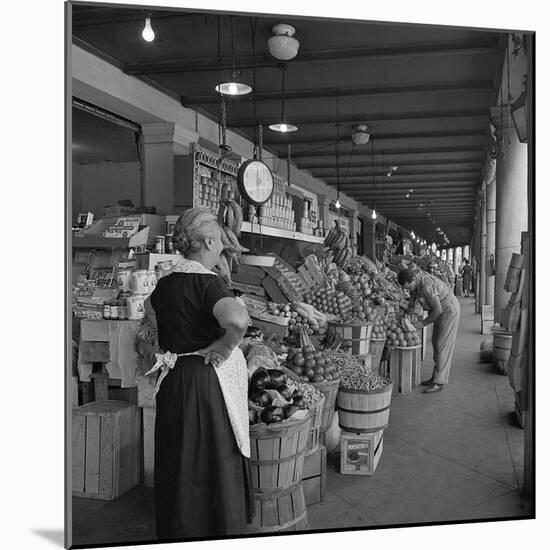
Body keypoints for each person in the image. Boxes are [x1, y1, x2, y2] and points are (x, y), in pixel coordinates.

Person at [145, 208, 254, 540]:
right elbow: (237, 319)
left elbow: (150, 314)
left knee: (179, 461)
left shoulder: (164, 283)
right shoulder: (208, 282)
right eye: (219, 237)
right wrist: (224, 347)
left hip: (174, 378)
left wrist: (179, 340)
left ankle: (179, 531)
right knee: (211, 461)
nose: (223, 242)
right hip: (206, 383)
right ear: (208, 240)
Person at [398, 268, 461, 393]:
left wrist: (422, 323)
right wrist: (406, 316)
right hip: (439, 311)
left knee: (442, 345)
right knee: (435, 342)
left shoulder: (426, 286)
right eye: (405, 288)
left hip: (449, 309)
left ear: (413, 280)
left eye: (408, 287)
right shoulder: (415, 286)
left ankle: (439, 382)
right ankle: (435, 377)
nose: (407, 290)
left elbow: (438, 310)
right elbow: (411, 303)